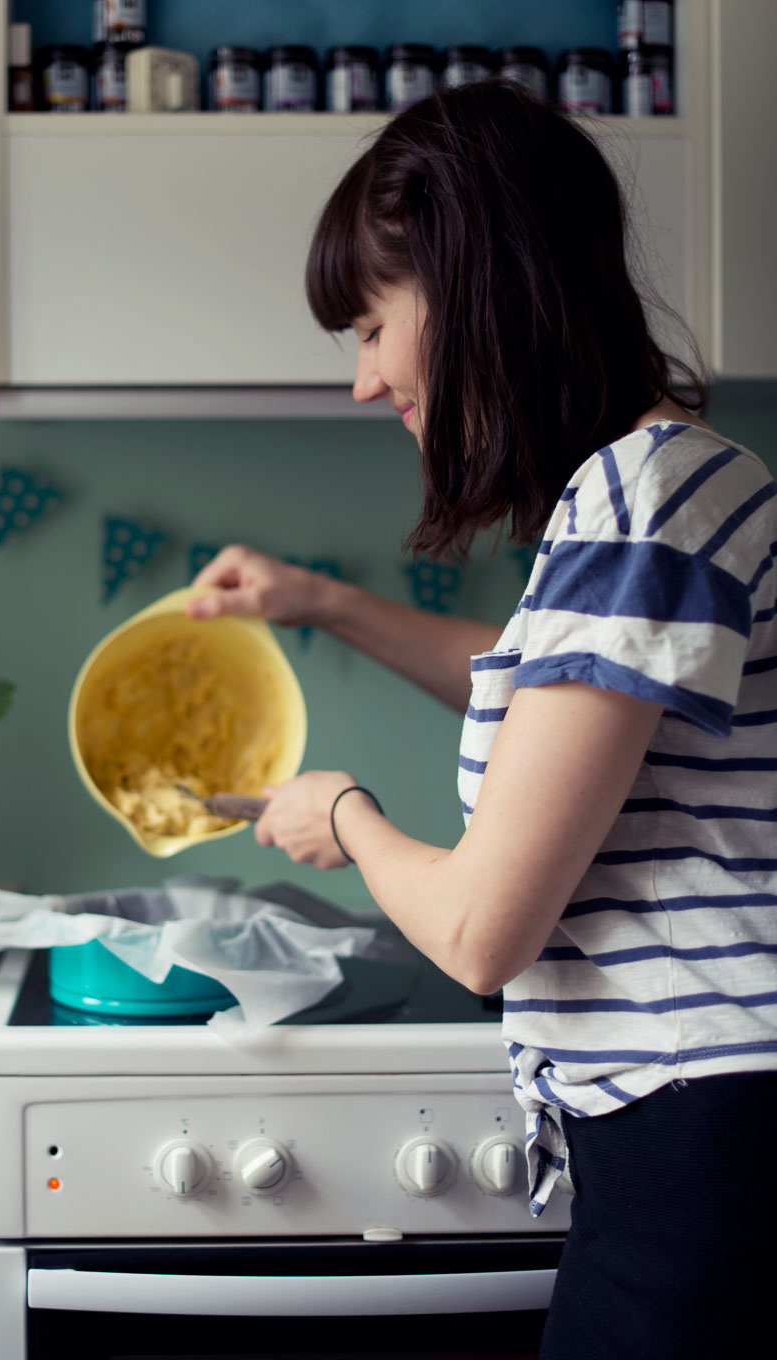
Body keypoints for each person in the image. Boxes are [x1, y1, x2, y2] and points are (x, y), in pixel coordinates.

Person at [187, 82, 777, 1358]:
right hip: (697, 1133)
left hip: (704, 1149)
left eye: (369, 327)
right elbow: (546, 704)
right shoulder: (648, 485)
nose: (359, 381)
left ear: (466, 287)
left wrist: (339, 811)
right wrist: (316, 600)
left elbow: (477, 931)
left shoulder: (638, 499)